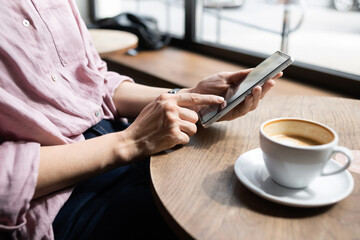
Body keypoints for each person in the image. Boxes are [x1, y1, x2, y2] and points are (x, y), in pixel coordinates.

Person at [0, 1, 281, 240]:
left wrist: (186, 96)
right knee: (225, 222)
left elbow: (94, 81)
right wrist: (130, 142)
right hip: (61, 203)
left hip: (122, 145)